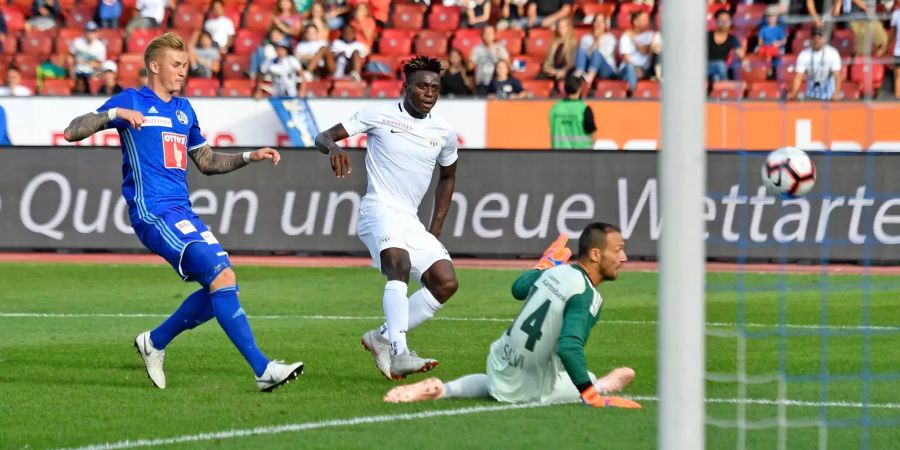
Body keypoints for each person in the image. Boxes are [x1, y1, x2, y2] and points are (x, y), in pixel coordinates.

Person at [62, 33, 304, 392]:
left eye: (186, 66)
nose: (183, 72)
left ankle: (155, 342)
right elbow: (72, 132)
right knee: (221, 278)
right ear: (154, 66)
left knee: (223, 283)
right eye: (176, 65)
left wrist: (250, 156)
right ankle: (263, 369)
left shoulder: (184, 110)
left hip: (183, 211)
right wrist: (114, 114)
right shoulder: (131, 100)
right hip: (153, 213)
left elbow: (206, 162)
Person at [315, 56, 460, 380]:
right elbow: (323, 136)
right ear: (405, 87)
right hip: (378, 209)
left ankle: (380, 338)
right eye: (422, 85)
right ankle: (399, 352)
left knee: (445, 282)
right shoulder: (377, 114)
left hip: (410, 219)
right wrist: (335, 149)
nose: (429, 92)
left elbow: (448, 178)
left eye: (435, 87)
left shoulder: (445, 132)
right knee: (400, 265)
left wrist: (435, 228)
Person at [383, 227, 641, 410]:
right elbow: (569, 348)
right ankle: (603, 384)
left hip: (501, 358)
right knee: (586, 381)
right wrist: (590, 395)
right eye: (618, 250)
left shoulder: (558, 270)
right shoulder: (588, 295)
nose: (624, 258)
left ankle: (445, 389)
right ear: (595, 255)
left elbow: (518, 288)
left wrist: (545, 263)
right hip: (533, 380)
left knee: (495, 385)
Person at [790, 26, 842, 101]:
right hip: (811, 96)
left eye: (819, 38)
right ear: (811, 39)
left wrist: (836, 93)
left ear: (824, 39)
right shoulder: (804, 54)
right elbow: (798, 76)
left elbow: (838, 76)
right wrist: (794, 93)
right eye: (814, 37)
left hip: (829, 96)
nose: (816, 40)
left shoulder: (832, 53)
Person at [618, 10, 661, 93]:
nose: (646, 22)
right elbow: (626, 57)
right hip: (626, 70)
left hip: (644, 70)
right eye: (643, 19)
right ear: (635, 22)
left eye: (647, 19)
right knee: (630, 67)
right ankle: (632, 93)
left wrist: (636, 42)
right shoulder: (626, 36)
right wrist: (636, 67)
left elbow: (647, 49)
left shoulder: (651, 35)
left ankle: (632, 94)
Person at [550, 75, 595, 149]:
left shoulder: (555, 109)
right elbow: (593, 135)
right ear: (580, 89)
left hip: (558, 155)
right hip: (581, 155)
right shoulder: (584, 109)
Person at [573, 15, 618, 86]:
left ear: (605, 25)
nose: (599, 24)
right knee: (581, 50)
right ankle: (579, 75)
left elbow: (604, 54)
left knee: (596, 53)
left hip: (606, 69)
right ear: (593, 24)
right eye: (597, 22)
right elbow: (584, 56)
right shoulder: (586, 38)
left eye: (601, 22)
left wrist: (598, 40)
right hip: (588, 67)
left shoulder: (610, 38)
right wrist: (594, 43)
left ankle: (589, 80)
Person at [706, 10, 745, 85]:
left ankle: (722, 90)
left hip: (720, 69)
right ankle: (725, 86)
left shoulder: (732, 39)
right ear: (716, 21)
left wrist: (743, 60)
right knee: (720, 65)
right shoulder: (707, 35)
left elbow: (739, 53)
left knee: (718, 70)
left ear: (730, 22)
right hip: (704, 66)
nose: (724, 23)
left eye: (726, 20)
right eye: (721, 20)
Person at [469, 25, 510, 96]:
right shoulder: (477, 49)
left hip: (497, 84)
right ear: (482, 35)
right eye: (486, 33)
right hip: (482, 85)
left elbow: (509, 67)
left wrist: (500, 58)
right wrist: (469, 60)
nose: (488, 36)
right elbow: (469, 68)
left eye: (490, 33)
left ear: (494, 35)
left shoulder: (500, 49)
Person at [542, 19, 577, 90]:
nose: (560, 29)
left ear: (568, 28)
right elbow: (547, 62)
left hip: (566, 73)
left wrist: (564, 72)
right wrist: (548, 69)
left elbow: (573, 64)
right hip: (553, 71)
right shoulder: (553, 43)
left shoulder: (573, 44)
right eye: (559, 27)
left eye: (562, 27)